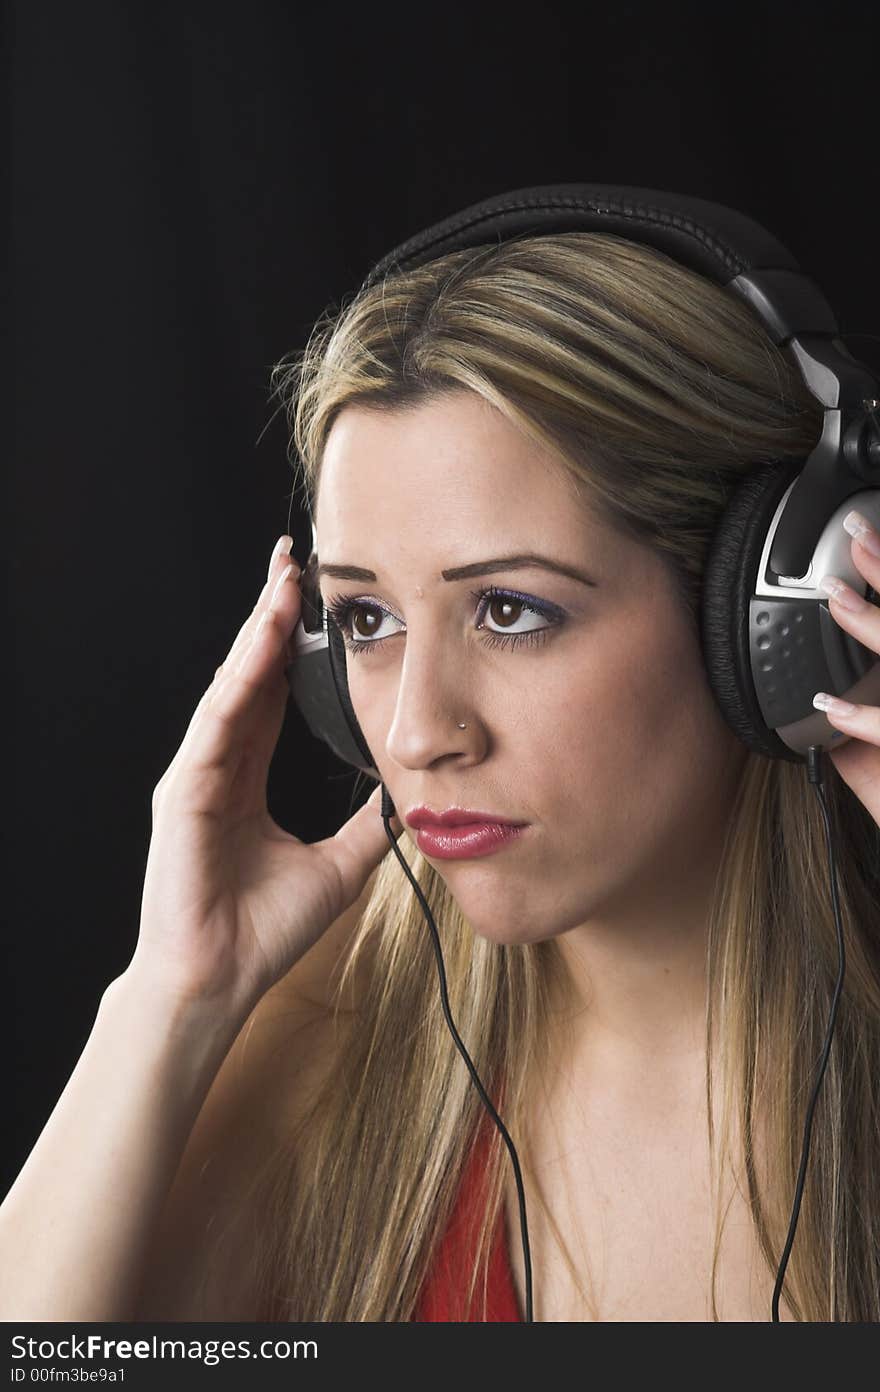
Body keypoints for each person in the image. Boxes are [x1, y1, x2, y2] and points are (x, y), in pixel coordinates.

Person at [2, 231, 879, 1323]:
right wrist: (171, 1000)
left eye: (510, 610)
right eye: (364, 619)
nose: (415, 733)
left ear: (768, 618)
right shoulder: (330, 1054)